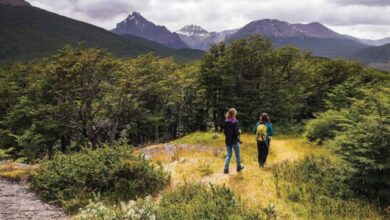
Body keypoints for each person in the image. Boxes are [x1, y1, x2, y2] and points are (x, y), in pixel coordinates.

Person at [223, 108, 244, 174]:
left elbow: (225, 132)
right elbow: (236, 132)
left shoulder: (226, 121)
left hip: (227, 141)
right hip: (234, 141)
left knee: (229, 155)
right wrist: (239, 132)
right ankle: (238, 168)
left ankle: (226, 169)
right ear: (234, 114)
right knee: (237, 155)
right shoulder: (235, 122)